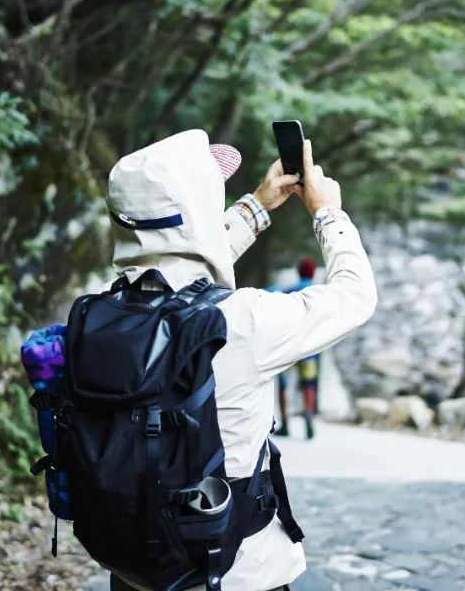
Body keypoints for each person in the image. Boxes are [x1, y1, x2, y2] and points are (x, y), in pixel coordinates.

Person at [105, 129, 376, 591]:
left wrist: (257, 204)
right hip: (235, 570)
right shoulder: (243, 321)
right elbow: (355, 296)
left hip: (134, 569)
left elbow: (175, 270)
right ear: (193, 215)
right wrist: (328, 212)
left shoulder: (102, 314)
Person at [273, 259, 321, 440]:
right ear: (314, 272)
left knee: (284, 386)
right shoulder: (318, 293)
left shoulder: (288, 292)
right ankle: (308, 416)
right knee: (308, 385)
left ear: (298, 272)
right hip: (310, 349)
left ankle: (285, 423)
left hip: (287, 348)